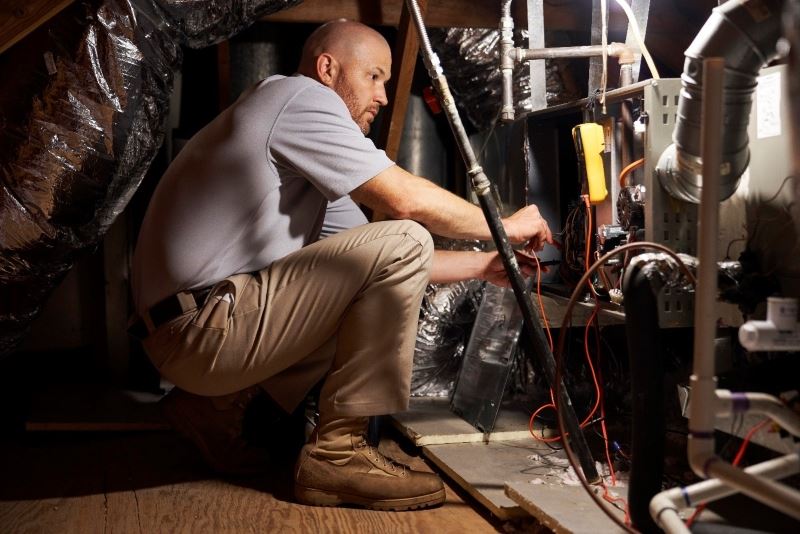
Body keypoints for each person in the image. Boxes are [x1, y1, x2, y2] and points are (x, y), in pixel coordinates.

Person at [130, 19, 552, 511]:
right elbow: (403, 206)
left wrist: (483, 267)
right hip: (201, 329)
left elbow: (386, 262)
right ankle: (339, 454)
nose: (383, 97)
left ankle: (212, 409)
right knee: (406, 234)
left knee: (381, 262)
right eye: (373, 76)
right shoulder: (296, 97)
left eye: (388, 84)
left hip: (191, 333)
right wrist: (504, 224)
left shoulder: (303, 164)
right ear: (327, 69)